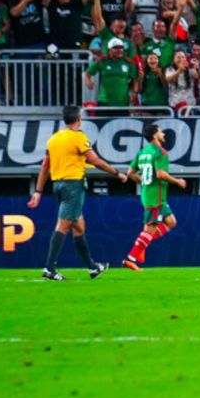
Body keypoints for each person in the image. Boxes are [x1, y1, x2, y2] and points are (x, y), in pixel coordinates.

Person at [26, 105, 128, 281]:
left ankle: (93, 267)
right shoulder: (78, 137)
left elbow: (45, 166)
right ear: (78, 119)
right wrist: (117, 173)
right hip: (73, 186)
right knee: (63, 226)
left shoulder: (54, 138)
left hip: (57, 186)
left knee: (79, 226)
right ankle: (49, 268)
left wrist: (38, 191)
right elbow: (94, 160)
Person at [120, 124, 187, 271]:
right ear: (155, 135)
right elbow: (160, 174)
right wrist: (178, 181)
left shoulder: (142, 152)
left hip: (149, 194)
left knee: (171, 222)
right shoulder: (160, 152)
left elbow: (130, 172)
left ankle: (143, 244)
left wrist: (144, 181)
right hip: (155, 196)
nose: (164, 134)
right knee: (150, 229)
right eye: (161, 131)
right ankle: (130, 259)